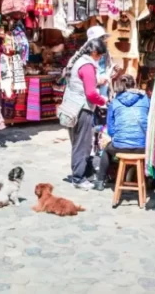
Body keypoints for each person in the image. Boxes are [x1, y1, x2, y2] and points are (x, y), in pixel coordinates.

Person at [61, 27, 109, 190]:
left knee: (78, 143)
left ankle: (80, 173)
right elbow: (90, 93)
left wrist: (97, 82)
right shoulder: (87, 66)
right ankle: (79, 178)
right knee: (82, 144)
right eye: (100, 55)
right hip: (82, 109)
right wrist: (103, 100)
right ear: (94, 52)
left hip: (73, 106)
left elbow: (82, 85)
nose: (100, 58)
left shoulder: (80, 62)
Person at [96, 75, 149, 191]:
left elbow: (111, 131)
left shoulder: (114, 102)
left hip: (120, 147)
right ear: (134, 85)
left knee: (106, 150)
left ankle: (100, 181)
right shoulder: (144, 99)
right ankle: (152, 180)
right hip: (143, 147)